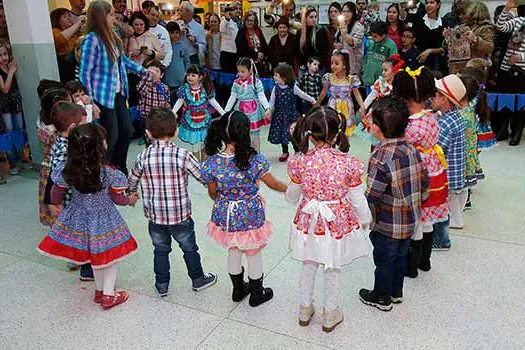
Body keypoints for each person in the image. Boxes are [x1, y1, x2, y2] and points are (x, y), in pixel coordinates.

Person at [287, 106, 371, 332]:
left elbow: (292, 195)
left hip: (309, 221)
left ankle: (305, 308)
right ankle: (330, 314)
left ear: (310, 136)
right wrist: (365, 218)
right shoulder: (348, 163)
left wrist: (299, 196)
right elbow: (356, 197)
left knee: (308, 263)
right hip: (336, 223)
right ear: (336, 134)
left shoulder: (300, 162)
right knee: (332, 267)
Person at [38, 123, 139, 309]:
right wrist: (130, 200)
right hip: (105, 219)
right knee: (110, 258)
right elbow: (117, 198)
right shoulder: (108, 173)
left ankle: (100, 291)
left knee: (95, 256)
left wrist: (55, 204)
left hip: (80, 217)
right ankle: (109, 295)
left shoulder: (68, 170)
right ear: (100, 148)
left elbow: (56, 191)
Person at [201, 111, 287, 307]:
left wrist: (225, 198)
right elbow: (273, 184)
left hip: (226, 214)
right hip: (249, 214)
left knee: (233, 249)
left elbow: (213, 193)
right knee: (253, 252)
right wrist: (289, 190)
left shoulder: (212, 162)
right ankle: (257, 293)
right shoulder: (254, 160)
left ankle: (238, 290)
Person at [128, 107, 217, 297]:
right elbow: (203, 177)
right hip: (180, 215)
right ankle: (198, 279)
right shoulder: (182, 155)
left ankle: (162, 285)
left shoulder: (143, 156)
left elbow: (133, 180)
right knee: (189, 248)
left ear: (148, 133)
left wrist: (131, 193)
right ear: (176, 131)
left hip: (155, 217)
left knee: (160, 250)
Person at [359, 97, 428, 312]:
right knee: (400, 257)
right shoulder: (412, 149)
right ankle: (396, 292)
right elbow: (424, 181)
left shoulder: (380, 157)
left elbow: (372, 195)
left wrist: (362, 215)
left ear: (377, 128)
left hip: (387, 224)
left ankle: (381, 297)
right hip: (409, 220)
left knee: (384, 261)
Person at [392, 66, 449, 277]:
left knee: (416, 219)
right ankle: (425, 261)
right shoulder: (431, 116)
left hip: (418, 171)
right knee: (427, 219)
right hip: (435, 168)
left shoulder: (410, 125)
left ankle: (411, 266)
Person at [79, 0, 146, 175]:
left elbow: (122, 61)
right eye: (109, 15)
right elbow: (85, 73)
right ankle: (104, 171)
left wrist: (143, 71)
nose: (113, 18)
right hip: (102, 96)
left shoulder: (113, 35)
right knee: (111, 136)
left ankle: (119, 167)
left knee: (127, 130)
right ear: (100, 17)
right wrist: (91, 102)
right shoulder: (91, 40)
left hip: (118, 93)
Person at [432, 74, 467, 238]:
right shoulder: (456, 117)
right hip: (458, 169)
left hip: (448, 173)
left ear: (444, 100)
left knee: (448, 200)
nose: (432, 98)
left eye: (435, 95)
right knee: (457, 196)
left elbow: (438, 148)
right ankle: (457, 217)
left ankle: (455, 221)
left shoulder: (445, 123)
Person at [172, 65, 225, 159]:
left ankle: (204, 165)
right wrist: (173, 112)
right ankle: (196, 165)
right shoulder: (184, 89)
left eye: (193, 75)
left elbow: (213, 102)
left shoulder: (206, 89)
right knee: (194, 145)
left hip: (204, 120)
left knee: (204, 143)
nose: (189, 77)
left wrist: (223, 113)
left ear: (200, 77)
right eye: (188, 75)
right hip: (190, 120)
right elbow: (179, 102)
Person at [266, 63, 315, 162]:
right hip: (279, 116)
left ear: (284, 77)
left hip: (291, 116)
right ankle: (285, 151)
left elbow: (302, 94)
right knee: (282, 135)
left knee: (292, 134)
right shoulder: (276, 88)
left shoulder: (293, 87)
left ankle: (297, 150)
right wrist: (269, 110)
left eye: (276, 75)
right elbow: (272, 102)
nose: (274, 77)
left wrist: (312, 100)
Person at [36, 84, 69, 227]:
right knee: (58, 204)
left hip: (50, 169)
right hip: (56, 172)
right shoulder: (57, 132)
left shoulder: (44, 121)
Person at [494, 0, 525, 146]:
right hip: (506, 68)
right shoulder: (519, 21)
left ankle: (517, 131)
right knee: (505, 99)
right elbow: (500, 27)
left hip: (523, 70)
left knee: (520, 102)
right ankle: (503, 129)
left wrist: (520, 57)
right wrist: (506, 8)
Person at [224, 57, 270, 151]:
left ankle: (256, 154)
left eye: (243, 71)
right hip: (241, 111)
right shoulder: (236, 83)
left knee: (255, 134)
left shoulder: (256, 82)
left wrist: (267, 108)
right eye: (239, 71)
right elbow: (232, 98)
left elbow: (261, 96)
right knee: (241, 133)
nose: (240, 74)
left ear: (250, 71)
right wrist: (226, 111)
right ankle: (244, 154)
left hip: (254, 111)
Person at [316, 50, 365, 136]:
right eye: (332, 63)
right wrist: (317, 103)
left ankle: (344, 147)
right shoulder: (329, 78)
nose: (333, 66)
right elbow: (323, 92)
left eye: (336, 63)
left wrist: (362, 106)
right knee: (332, 129)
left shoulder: (351, 79)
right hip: (333, 105)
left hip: (346, 107)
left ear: (344, 65)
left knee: (345, 131)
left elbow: (357, 94)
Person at [0, 40, 24, 175]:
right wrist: (11, 72)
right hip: (5, 107)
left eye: (5, 54)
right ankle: (13, 162)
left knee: (19, 129)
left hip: (15, 103)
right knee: (8, 132)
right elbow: (5, 89)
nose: (4, 58)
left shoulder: (9, 66)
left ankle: (20, 159)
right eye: (0, 55)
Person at [403, 0, 446, 75]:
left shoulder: (444, 23)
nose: (429, 5)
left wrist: (429, 51)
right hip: (418, 61)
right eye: (427, 3)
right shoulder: (418, 19)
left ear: (438, 5)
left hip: (437, 62)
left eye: (432, 2)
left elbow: (444, 48)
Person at [50, 8, 86, 82]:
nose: (69, 18)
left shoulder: (75, 34)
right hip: (65, 71)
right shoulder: (54, 31)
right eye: (64, 17)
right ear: (57, 20)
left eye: (69, 16)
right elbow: (60, 39)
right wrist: (78, 23)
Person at [361, 21, 398, 89]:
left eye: (375, 36)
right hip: (367, 81)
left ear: (383, 35)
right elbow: (366, 58)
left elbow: (394, 66)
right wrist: (363, 72)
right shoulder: (371, 42)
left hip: (381, 85)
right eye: (372, 35)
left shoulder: (391, 46)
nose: (372, 38)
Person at [235, 11, 269, 76]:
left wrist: (263, 54)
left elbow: (264, 45)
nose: (249, 22)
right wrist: (256, 55)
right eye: (247, 20)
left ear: (255, 22)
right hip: (246, 65)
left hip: (259, 64)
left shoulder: (258, 31)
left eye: (251, 20)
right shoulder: (241, 32)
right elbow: (242, 49)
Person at [164, 21, 190, 106]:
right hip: (168, 80)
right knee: (170, 103)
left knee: (181, 104)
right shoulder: (165, 47)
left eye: (177, 32)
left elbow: (187, 62)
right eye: (172, 33)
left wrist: (186, 74)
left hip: (181, 80)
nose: (175, 35)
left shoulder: (183, 47)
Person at [296, 6, 328, 72]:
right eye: (311, 17)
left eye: (315, 17)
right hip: (304, 67)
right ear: (305, 18)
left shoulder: (320, 31)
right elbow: (298, 52)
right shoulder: (300, 32)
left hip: (318, 67)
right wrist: (302, 64)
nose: (314, 19)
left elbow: (324, 51)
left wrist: (318, 65)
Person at [339, 2, 365, 78]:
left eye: (348, 11)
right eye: (344, 11)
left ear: (353, 12)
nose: (346, 13)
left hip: (354, 63)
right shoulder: (343, 24)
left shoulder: (358, 26)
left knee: (353, 86)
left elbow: (353, 43)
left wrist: (345, 35)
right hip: (343, 62)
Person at [178, 1, 206, 65]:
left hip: (192, 58)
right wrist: (178, 33)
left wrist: (195, 43)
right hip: (179, 57)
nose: (179, 13)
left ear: (188, 12)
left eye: (181, 10)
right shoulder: (177, 25)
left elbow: (203, 46)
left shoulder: (199, 27)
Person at [219, 5, 239, 73]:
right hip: (227, 54)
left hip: (237, 54)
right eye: (234, 9)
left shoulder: (240, 22)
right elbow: (222, 29)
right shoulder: (224, 21)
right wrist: (227, 18)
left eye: (239, 9)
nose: (237, 11)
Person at [325, 2, 343, 66]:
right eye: (331, 12)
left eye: (335, 11)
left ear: (340, 13)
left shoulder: (345, 27)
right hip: (330, 60)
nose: (333, 13)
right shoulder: (326, 29)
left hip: (343, 59)